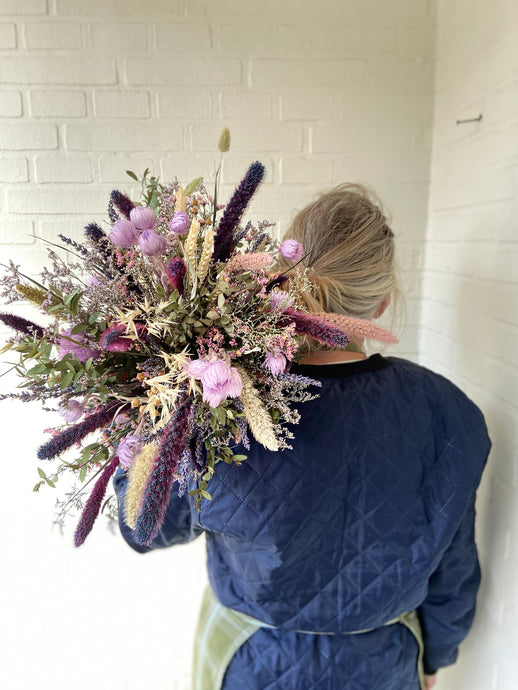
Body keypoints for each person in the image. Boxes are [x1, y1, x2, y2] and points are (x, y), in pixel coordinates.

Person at [114, 183, 490, 690]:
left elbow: (148, 527)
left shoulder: (215, 403)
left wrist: (140, 419)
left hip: (252, 665)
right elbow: (455, 570)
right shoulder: (451, 414)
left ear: (280, 280)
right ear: (381, 302)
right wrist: (435, 658)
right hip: (384, 665)